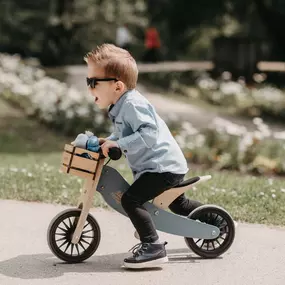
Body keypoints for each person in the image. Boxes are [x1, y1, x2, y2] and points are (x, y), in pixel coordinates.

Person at [84, 43, 202, 269]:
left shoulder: (132, 104)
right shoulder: (121, 105)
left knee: (131, 199)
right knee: (178, 205)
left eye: (93, 82)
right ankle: (214, 220)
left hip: (162, 168)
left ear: (117, 86)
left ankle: (153, 246)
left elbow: (149, 134)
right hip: (162, 167)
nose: (89, 88)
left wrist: (118, 143)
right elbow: (123, 134)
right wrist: (107, 141)